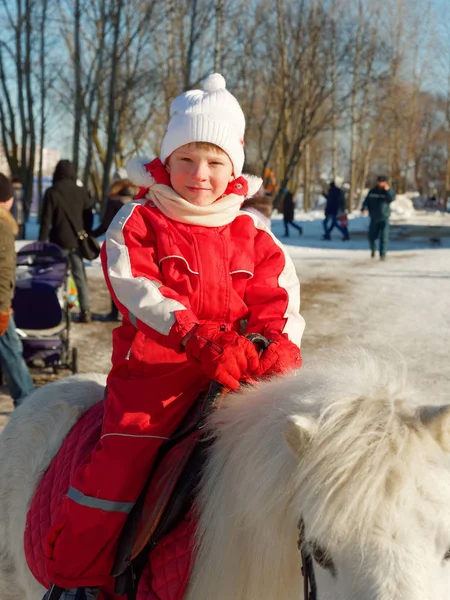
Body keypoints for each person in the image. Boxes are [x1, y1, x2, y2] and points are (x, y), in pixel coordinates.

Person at [43, 73, 305, 593]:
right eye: (186, 159)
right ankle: (79, 576)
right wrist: (192, 334)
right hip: (157, 377)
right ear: (166, 161)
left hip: (239, 377)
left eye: (214, 162)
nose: (199, 174)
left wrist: (275, 346)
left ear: (233, 167)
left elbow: (279, 296)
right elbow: (133, 283)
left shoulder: (252, 232)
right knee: (121, 463)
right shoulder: (140, 219)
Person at [39, 160, 94, 322]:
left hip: (57, 242)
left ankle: (51, 309)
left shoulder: (51, 192)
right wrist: (85, 232)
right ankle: (86, 311)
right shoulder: (81, 191)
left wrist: (41, 245)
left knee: (54, 276)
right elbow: (88, 216)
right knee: (79, 276)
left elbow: (45, 221)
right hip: (76, 242)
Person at [0, 173, 34, 407]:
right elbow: (2, 270)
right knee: (12, 350)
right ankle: (28, 403)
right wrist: (3, 308)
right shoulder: (2, 225)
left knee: (12, 348)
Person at [91, 177, 137, 321]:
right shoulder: (138, 199)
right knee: (136, 280)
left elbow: (105, 225)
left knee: (117, 278)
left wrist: (90, 235)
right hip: (137, 244)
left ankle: (115, 312)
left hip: (118, 245)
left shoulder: (113, 201)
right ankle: (135, 315)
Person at [362, 175, 396, 261]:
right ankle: (373, 250)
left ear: (386, 183)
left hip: (384, 217)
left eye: (382, 182)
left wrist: (387, 190)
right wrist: (364, 209)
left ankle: (382, 254)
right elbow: (366, 202)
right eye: (379, 182)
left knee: (384, 237)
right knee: (372, 236)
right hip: (374, 217)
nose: (381, 184)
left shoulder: (388, 192)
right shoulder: (372, 192)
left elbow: (392, 198)